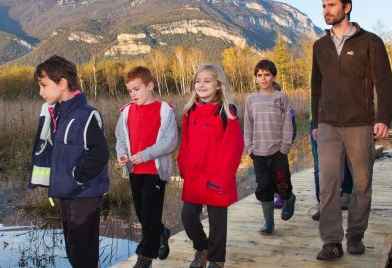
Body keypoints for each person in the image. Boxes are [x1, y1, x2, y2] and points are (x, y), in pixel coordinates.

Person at [311, 0, 392, 261]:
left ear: (347, 7)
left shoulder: (370, 41)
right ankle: (331, 241)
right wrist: (315, 119)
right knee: (328, 183)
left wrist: (383, 118)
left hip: (360, 123)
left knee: (362, 182)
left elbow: (384, 81)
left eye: (331, 5)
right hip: (327, 124)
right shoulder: (319, 46)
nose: (326, 11)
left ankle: (356, 235)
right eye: (324, 6)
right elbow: (316, 86)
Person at [32, 55, 110, 268]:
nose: (41, 92)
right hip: (66, 193)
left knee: (82, 249)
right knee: (73, 248)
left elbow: (100, 153)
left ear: (63, 83)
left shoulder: (86, 115)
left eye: (44, 85)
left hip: (84, 193)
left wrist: (77, 175)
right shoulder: (57, 114)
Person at [178, 64, 244, 268]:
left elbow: (233, 147)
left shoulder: (227, 112)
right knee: (188, 216)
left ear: (218, 84)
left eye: (207, 81)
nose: (201, 85)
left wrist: (221, 178)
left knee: (217, 223)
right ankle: (202, 248)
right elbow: (186, 143)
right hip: (195, 177)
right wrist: (184, 168)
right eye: (198, 81)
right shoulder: (190, 111)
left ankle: (216, 260)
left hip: (217, 178)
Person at [115, 66, 178, 268]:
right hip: (134, 171)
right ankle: (161, 232)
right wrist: (122, 154)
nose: (133, 94)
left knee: (150, 214)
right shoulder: (126, 112)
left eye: (136, 89)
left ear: (150, 86)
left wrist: (145, 155)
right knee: (143, 214)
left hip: (155, 171)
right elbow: (120, 139)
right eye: (130, 91)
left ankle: (145, 258)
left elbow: (169, 141)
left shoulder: (164, 110)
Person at [243, 60, 296, 235]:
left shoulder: (281, 98)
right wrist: (249, 147)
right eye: (259, 75)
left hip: (278, 151)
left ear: (273, 76)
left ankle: (289, 199)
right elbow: (248, 125)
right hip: (258, 152)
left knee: (283, 184)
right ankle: (268, 222)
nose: (263, 78)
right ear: (256, 78)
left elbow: (287, 123)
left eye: (267, 74)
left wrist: (285, 147)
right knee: (263, 186)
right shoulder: (251, 99)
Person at [310, 115, 354, 221]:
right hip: (317, 119)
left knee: (341, 159)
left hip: (338, 117)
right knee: (319, 165)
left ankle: (347, 193)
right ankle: (323, 203)